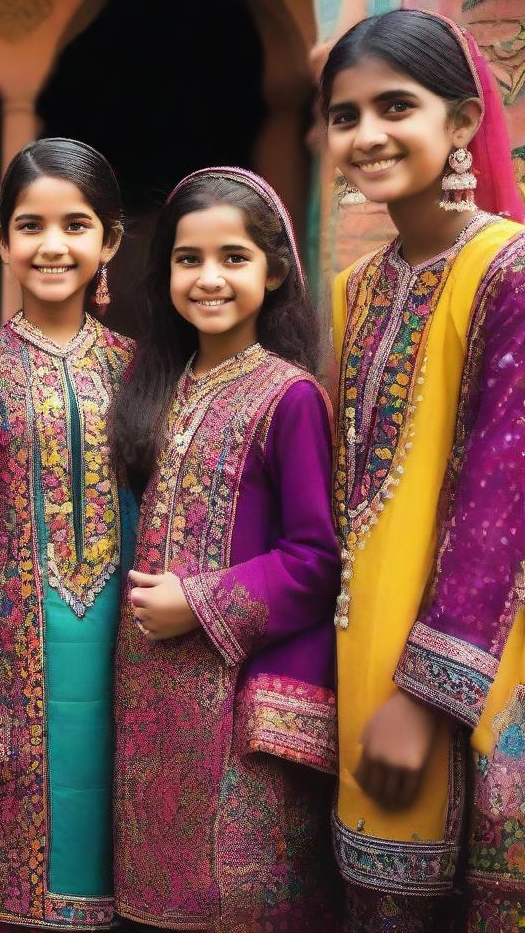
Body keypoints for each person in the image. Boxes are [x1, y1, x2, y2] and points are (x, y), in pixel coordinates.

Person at [323, 9, 525, 931]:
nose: (366, 135)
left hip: (469, 678)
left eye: (394, 106)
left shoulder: (508, 271)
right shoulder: (357, 290)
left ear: (462, 123)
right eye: (344, 114)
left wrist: (422, 697)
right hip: (362, 659)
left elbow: (503, 497)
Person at [110, 167, 340, 931]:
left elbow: (315, 558)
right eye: (188, 259)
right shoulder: (154, 386)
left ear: (273, 270)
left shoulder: (290, 395)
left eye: (233, 258)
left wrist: (199, 603)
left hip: (236, 701)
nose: (209, 279)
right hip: (149, 703)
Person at [0, 138, 132, 931]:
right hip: (12, 679)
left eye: (76, 225)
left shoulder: (140, 368)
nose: (53, 246)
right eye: (31, 226)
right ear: (2, 241)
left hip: (126, 669)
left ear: (110, 240)